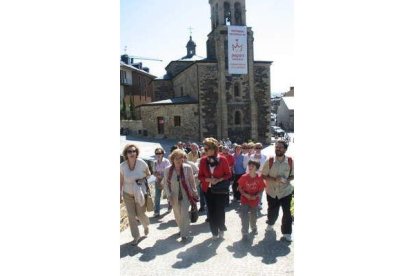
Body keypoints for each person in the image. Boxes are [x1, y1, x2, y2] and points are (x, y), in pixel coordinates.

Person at [198, 137, 232, 240]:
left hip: (220, 189)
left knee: (220, 210)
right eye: (204, 149)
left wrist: (219, 179)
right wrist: (208, 179)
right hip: (208, 190)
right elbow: (200, 176)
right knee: (211, 211)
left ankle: (221, 228)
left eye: (207, 148)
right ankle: (214, 232)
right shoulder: (203, 160)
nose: (205, 151)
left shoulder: (222, 159)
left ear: (214, 149)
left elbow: (228, 174)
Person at [261, 139, 294, 242]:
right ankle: (270, 223)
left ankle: (287, 233)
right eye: (276, 147)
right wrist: (274, 179)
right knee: (272, 212)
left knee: (287, 213)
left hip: (286, 191)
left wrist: (286, 180)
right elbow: (263, 175)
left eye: (280, 147)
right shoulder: (269, 161)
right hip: (272, 192)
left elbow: (292, 176)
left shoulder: (290, 161)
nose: (278, 149)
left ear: (285, 149)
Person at [162, 149, 199, 242]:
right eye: (177, 158)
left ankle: (184, 233)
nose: (179, 160)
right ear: (172, 159)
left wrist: (194, 192)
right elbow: (166, 184)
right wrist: (168, 195)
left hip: (186, 194)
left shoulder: (188, 168)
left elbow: (192, 181)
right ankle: (181, 228)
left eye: (181, 157)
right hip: (173, 195)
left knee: (184, 214)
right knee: (177, 214)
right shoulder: (167, 170)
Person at [120, 144, 151, 245]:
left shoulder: (141, 163)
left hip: (140, 192)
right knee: (131, 216)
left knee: (140, 214)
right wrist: (119, 194)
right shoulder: (122, 166)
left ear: (136, 152)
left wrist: (141, 179)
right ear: (126, 154)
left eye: (134, 151)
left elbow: (149, 174)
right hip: (127, 193)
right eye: (129, 151)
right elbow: (121, 181)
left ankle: (146, 225)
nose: (132, 153)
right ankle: (136, 236)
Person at [237, 160, 266, 240]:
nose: (250, 167)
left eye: (252, 166)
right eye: (249, 165)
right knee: (244, 216)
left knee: (254, 215)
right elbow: (239, 188)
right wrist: (246, 194)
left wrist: (256, 196)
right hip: (244, 199)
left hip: (254, 199)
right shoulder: (244, 177)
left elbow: (262, 188)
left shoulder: (259, 178)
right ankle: (245, 232)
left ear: (256, 168)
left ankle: (253, 227)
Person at [153, 147, 171, 217]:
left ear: (162, 154)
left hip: (165, 181)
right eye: (157, 153)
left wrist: (162, 177)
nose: (158, 155)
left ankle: (170, 206)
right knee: (157, 197)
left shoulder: (166, 161)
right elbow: (154, 172)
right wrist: (157, 175)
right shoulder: (154, 162)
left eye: (159, 153)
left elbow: (168, 171)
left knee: (167, 195)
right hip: (158, 181)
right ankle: (157, 211)